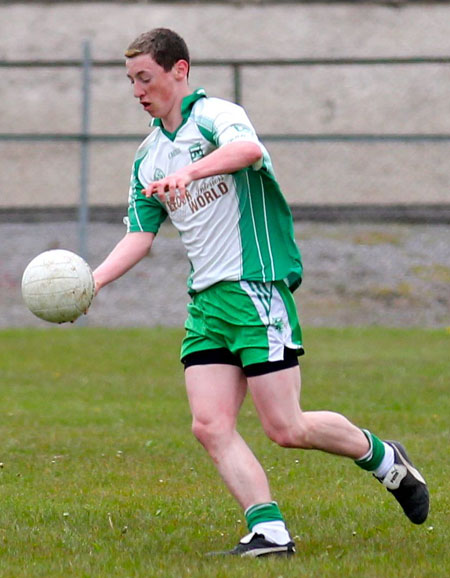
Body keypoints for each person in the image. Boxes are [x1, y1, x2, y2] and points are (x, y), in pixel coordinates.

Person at [91, 28, 429, 557]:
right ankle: (268, 532)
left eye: (145, 77)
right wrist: (92, 283)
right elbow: (139, 234)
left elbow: (249, 150)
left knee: (286, 428)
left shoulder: (216, 116)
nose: (137, 89)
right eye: (131, 80)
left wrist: (194, 170)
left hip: (254, 289)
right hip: (207, 303)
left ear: (179, 70)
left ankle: (385, 458)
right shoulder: (147, 157)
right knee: (209, 425)